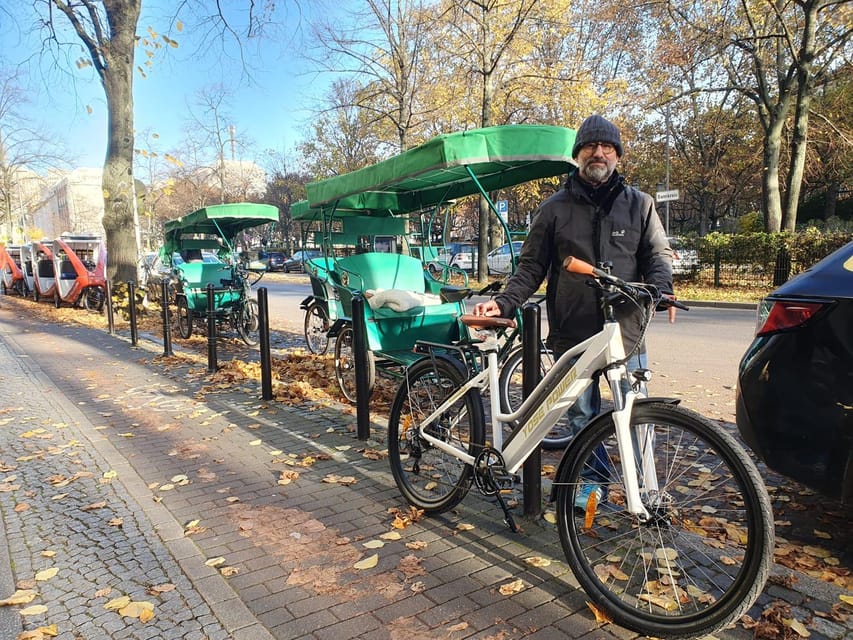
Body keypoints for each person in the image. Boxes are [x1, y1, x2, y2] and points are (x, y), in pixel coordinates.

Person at [472, 114, 676, 509]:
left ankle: (646, 491)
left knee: (635, 414)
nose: (598, 153)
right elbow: (531, 266)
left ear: (617, 155)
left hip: (627, 330)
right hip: (574, 330)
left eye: (607, 147)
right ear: (578, 154)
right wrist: (506, 302)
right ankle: (592, 483)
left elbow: (657, 254)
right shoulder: (554, 209)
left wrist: (661, 289)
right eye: (590, 147)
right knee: (582, 414)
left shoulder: (641, 205)